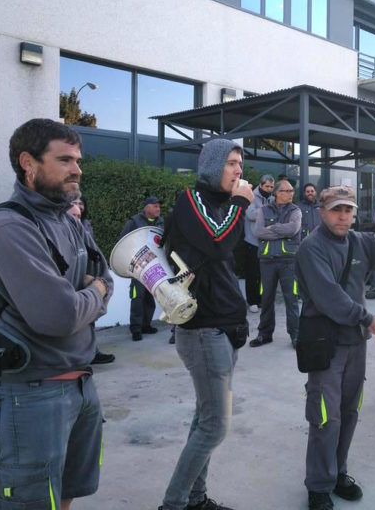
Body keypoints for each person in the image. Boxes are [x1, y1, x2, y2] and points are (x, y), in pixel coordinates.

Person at [0, 118, 113, 509]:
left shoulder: (68, 220)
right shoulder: (8, 228)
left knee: (66, 494)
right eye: (65, 159)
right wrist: (95, 292)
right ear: (28, 163)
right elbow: (59, 316)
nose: (77, 169)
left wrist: (92, 290)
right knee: (33, 503)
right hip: (32, 394)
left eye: (78, 160)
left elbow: (105, 275)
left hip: (82, 385)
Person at [159, 138, 254, 510]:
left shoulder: (220, 206)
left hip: (224, 327)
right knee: (215, 425)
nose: (238, 171)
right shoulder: (191, 201)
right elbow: (217, 239)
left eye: (240, 165)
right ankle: (173, 504)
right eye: (231, 163)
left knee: (205, 419)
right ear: (213, 166)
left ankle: (195, 499)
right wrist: (241, 202)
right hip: (204, 330)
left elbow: (224, 252)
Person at [295, 185, 375, 510]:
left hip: (355, 345)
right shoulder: (312, 248)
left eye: (349, 210)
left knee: (349, 413)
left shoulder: (359, 241)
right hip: (326, 345)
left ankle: (338, 473)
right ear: (322, 211)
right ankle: (319, 486)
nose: (343, 216)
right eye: (337, 209)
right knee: (326, 417)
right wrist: (368, 318)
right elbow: (330, 298)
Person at [250, 179, 301, 348]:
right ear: (278, 193)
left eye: (292, 190)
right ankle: (264, 334)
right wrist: (282, 230)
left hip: (289, 261)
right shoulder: (263, 210)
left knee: (291, 300)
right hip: (267, 261)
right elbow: (258, 232)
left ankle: (295, 335)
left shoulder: (296, 211)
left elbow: (293, 229)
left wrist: (272, 228)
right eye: (287, 191)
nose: (291, 193)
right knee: (266, 299)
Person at [69, 198, 115, 365]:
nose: (78, 207)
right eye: (73, 203)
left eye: (80, 203)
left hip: (88, 271)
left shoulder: (85, 223)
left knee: (90, 318)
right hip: (77, 278)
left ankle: (91, 351)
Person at [120, 196, 165, 341]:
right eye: (155, 205)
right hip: (137, 267)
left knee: (150, 296)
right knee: (137, 297)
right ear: (146, 208)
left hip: (154, 266)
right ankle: (136, 329)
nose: (158, 208)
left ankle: (146, 325)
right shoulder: (133, 222)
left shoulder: (161, 222)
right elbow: (123, 241)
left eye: (159, 206)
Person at [242, 174, 274, 314]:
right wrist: (266, 212)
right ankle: (252, 301)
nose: (269, 189)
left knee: (264, 274)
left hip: (267, 241)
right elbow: (250, 215)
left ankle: (261, 299)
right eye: (267, 186)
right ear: (260, 185)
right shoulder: (251, 196)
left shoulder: (273, 199)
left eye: (272, 187)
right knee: (252, 274)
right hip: (252, 241)